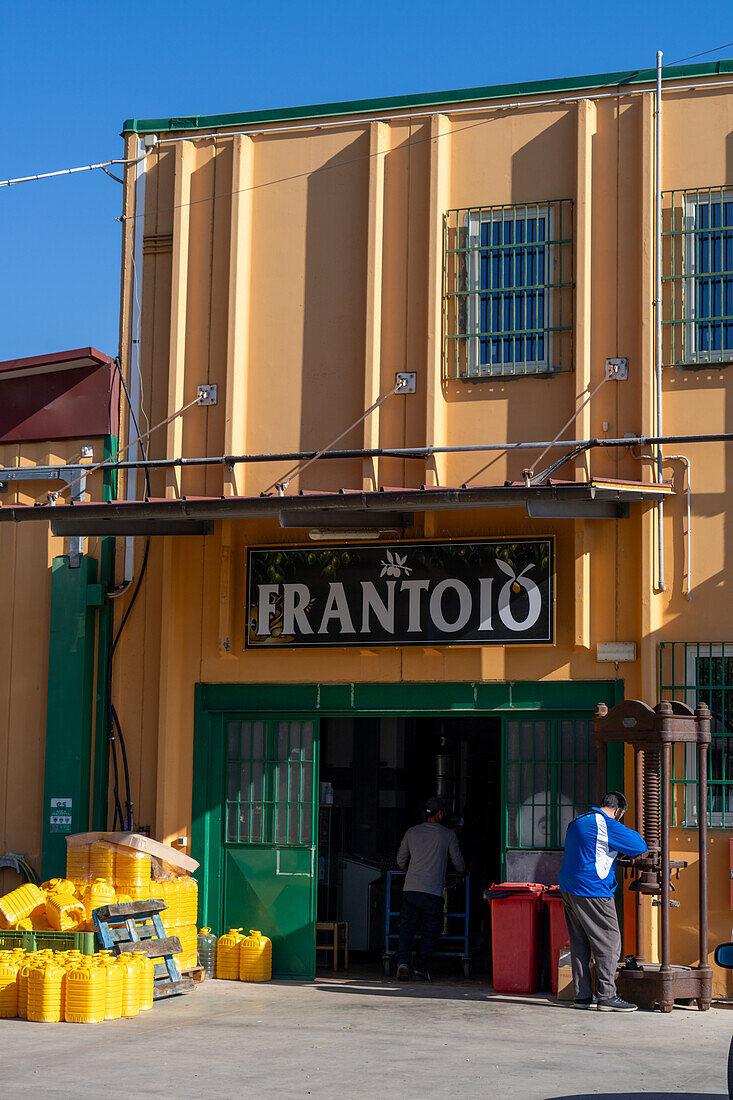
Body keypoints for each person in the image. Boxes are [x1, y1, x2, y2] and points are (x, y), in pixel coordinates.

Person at [559, 791, 647, 1012]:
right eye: (620, 815)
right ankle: (607, 995)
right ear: (617, 811)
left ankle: (582, 997)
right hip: (593, 890)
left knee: (580, 943)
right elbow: (639, 845)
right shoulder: (604, 823)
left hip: (569, 889)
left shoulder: (578, 821)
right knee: (609, 940)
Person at [395, 796, 466, 981]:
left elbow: (400, 862)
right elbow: (459, 863)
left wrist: (411, 869)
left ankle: (402, 963)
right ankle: (420, 970)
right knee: (430, 930)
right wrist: (461, 872)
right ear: (440, 813)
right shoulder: (448, 835)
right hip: (432, 892)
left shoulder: (412, 832)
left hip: (410, 889)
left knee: (407, 928)